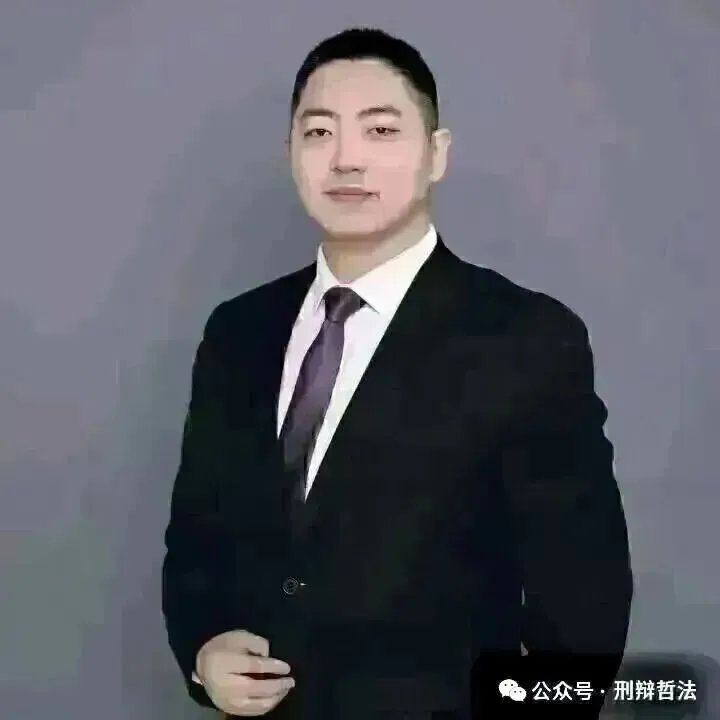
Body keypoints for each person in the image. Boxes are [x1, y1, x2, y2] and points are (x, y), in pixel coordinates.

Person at [162, 27, 633, 719]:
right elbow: (196, 538)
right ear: (290, 153)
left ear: (436, 154)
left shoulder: (524, 338)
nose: (347, 158)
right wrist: (203, 651)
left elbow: (584, 597)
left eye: (381, 130)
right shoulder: (238, 332)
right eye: (319, 133)